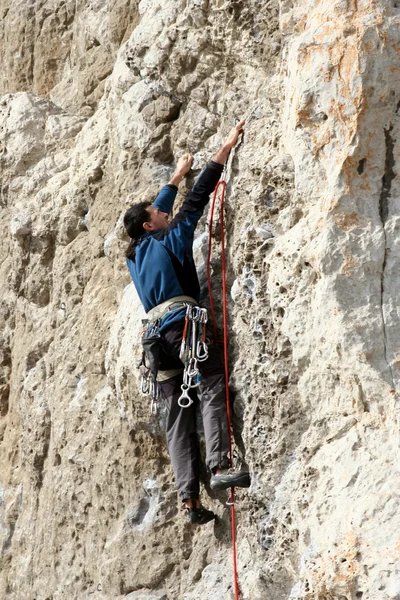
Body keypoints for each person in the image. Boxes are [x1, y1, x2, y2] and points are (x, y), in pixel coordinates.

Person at [124, 120, 250, 525]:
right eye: (160, 212)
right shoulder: (171, 235)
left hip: (155, 340)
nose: (167, 212)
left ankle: (188, 501)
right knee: (212, 381)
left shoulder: (135, 254)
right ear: (151, 224)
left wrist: (174, 176)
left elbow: (165, 207)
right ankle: (218, 468)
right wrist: (224, 150)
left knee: (177, 416)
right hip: (182, 327)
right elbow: (197, 200)